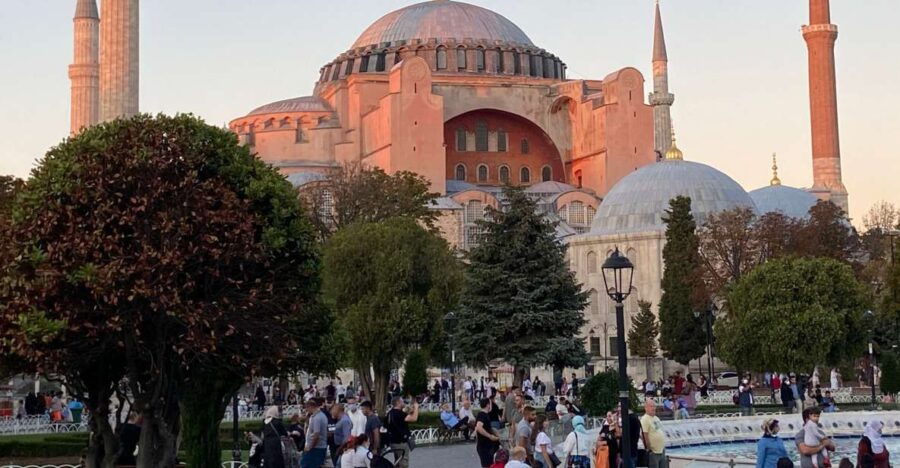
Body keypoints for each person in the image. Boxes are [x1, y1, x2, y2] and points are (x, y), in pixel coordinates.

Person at [385, 396, 418, 468]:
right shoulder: (399, 414)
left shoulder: (390, 413)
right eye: (402, 401)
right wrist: (416, 407)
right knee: (403, 462)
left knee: (397, 461)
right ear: (398, 402)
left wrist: (410, 409)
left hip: (393, 442)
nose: (404, 403)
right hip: (401, 442)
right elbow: (414, 418)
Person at [301, 399, 329, 468]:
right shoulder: (321, 415)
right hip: (319, 446)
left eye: (307, 408)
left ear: (311, 407)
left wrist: (310, 447)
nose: (306, 410)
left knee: (307, 465)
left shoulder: (317, 418)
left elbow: (316, 435)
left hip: (316, 448)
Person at [475, 397, 502, 468]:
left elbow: (488, 428)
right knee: (487, 464)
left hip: (487, 444)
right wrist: (490, 436)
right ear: (488, 405)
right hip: (484, 445)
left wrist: (496, 433)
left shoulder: (485, 415)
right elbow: (479, 427)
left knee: (490, 463)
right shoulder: (482, 414)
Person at [641, 399, 668, 468]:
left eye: (654, 406)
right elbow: (644, 435)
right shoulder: (645, 419)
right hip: (653, 452)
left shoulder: (656, 418)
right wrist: (649, 448)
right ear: (646, 408)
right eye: (651, 406)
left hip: (661, 450)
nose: (653, 408)